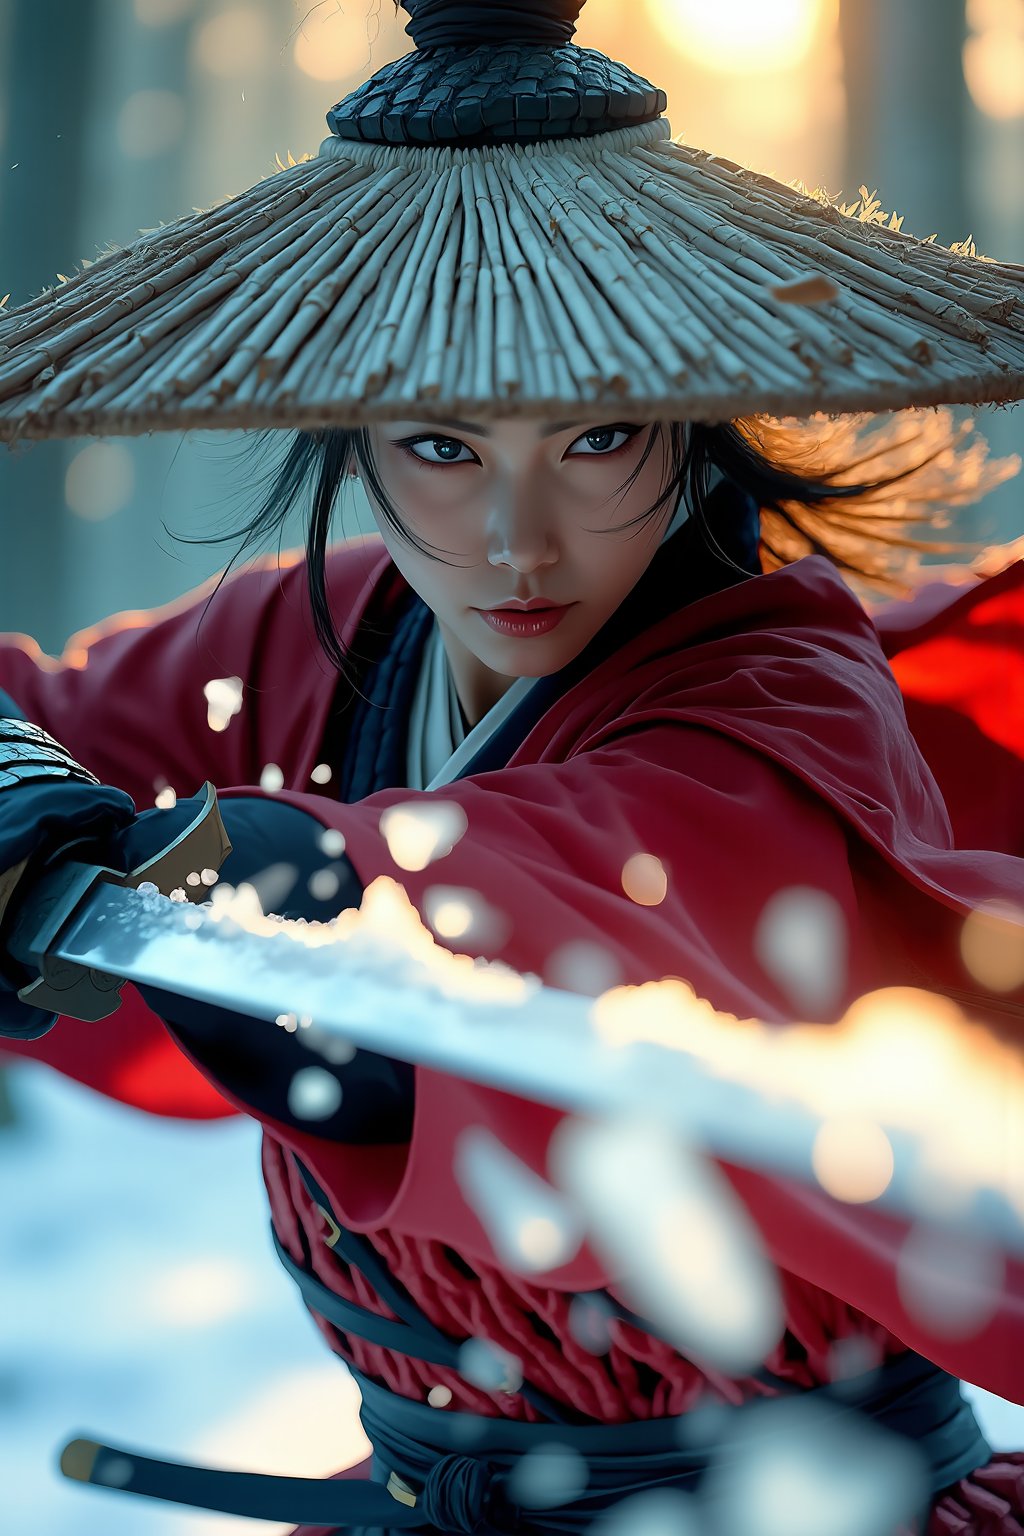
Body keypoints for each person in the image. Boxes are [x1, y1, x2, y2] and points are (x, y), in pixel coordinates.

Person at [0, 2, 1022, 1532]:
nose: (512, 541)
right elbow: (55, 711)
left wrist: (287, 888)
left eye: (600, 439)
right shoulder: (328, 632)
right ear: (347, 431)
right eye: (439, 443)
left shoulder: (777, 694)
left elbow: (561, 892)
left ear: (695, 413)